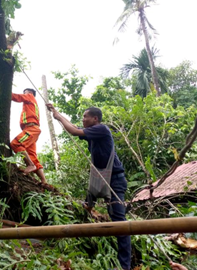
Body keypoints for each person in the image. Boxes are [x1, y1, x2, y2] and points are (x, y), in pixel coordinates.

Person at [46, 104, 131, 270]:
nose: (83, 119)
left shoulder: (102, 129)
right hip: (100, 178)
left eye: (86, 116)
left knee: (120, 222)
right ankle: (88, 205)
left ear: (95, 119)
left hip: (114, 180)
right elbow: (74, 127)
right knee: (90, 201)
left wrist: (57, 116)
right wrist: (57, 113)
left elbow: (73, 131)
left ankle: (125, 266)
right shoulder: (93, 134)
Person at [10, 88, 47, 184]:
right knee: (32, 155)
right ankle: (44, 181)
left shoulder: (30, 96)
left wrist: (6, 93)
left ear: (30, 93)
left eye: (25, 93)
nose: (24, 95)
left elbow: (18, 97)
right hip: (32, 130)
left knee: (16, 143)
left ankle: (30, 165)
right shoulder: (31, 104)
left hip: (31, 129)